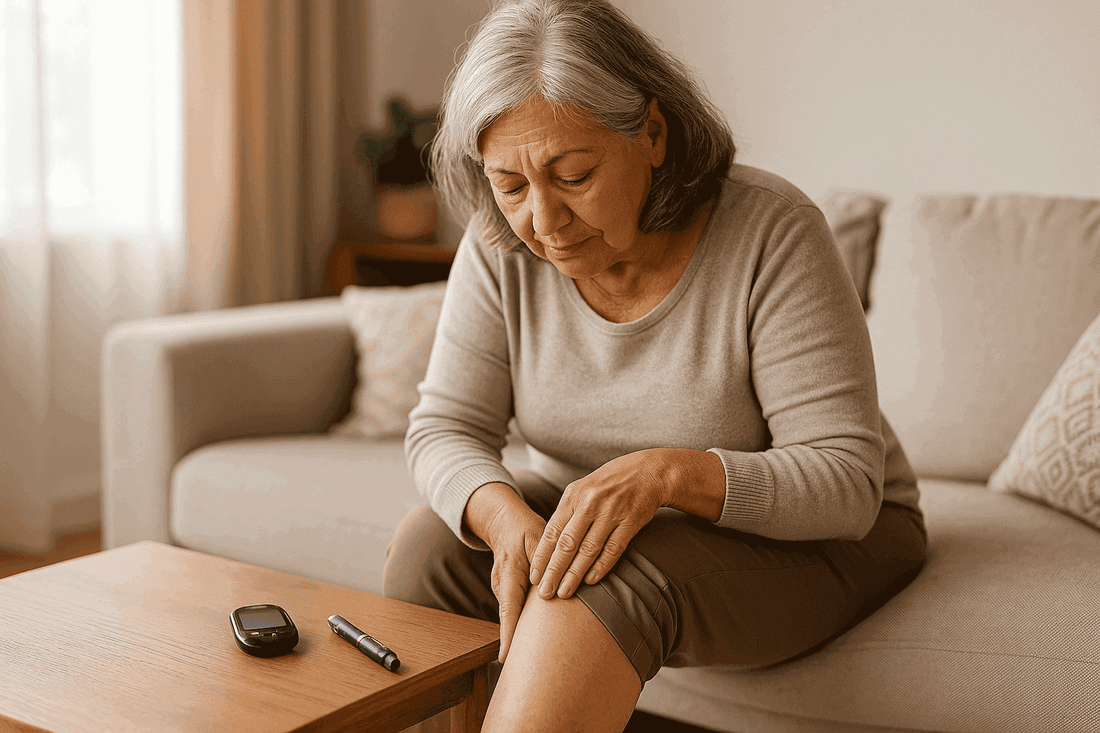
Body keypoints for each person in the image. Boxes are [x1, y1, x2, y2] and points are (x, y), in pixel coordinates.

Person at [383, 1, 926, 731]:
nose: (542, 220)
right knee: (432, 547)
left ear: (654, 134)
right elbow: (444, 426)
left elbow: (846, 481)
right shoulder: (499, 247)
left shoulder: (774, 232)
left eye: (571, 174)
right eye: (510, 186)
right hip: (623, 512)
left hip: (833, 534)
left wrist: (669, 473)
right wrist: (505, 519)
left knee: (604, 575)